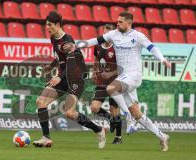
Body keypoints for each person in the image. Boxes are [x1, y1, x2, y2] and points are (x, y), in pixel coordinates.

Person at [63, 11, 171, 151]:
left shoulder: (137, 36)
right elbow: (94, 40)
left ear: (128, 23)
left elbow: (152, 47)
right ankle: (162, 136)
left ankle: (127, 116)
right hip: (123, 77)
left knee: (111, 88)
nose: (117, 23)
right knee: (137, 113)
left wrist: (162, 59)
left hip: (134, 75)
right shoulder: (113, 34)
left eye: (120, 22)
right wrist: (76, 46)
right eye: (117, 21)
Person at [33, 11, 106, 149]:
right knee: (41, 101)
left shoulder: (67, 41)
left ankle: (98, 129)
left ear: (58, 24)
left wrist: (59, 76)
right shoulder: (53, 38)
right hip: (63, 77)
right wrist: (51, 66)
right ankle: (46, 138)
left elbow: (72, 63)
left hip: (75, 79)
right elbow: (60, 58)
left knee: (69, 113)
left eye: (49, 25)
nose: (47, 28)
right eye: (46, 25)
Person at [91, 24, 122, 144]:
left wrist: (110, 74)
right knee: (94, 107)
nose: (106, 36)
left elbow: (122, 67)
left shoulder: (118, 48)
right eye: (105, 34)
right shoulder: (98, 46)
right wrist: (94, 72)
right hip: (101, 81)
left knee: (115, 110)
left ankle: (118, 137)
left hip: (115, 82)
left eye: (109, 33)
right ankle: (109, 118)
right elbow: (96, 60)